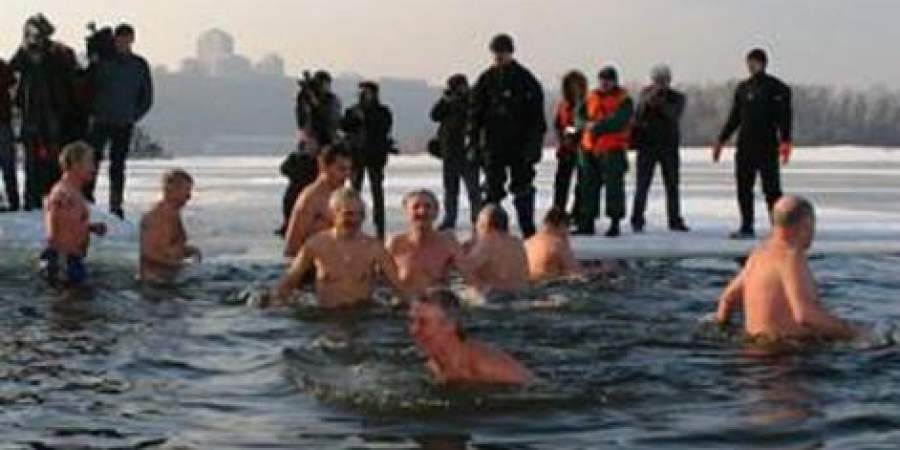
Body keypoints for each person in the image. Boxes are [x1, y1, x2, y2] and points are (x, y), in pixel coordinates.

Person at [715, 196, 857, 341]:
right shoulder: (790, 257)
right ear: (806, 226)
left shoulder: (758, 255)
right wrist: (853, 333)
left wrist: (723, 328)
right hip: (787, 351)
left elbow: (728, 299)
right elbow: (804, 315)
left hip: (753, 345)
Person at [272, 187, 408, 307]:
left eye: (360, 214)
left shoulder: (374, 248)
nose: (355, 220)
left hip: (362, 316)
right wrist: (273, 304)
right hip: (326, 315)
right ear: (333, 214)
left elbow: (398, 286)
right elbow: (290, 281)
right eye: (348, 214)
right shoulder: (315, 245)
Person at [470, 33, 546, 238]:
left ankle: (528, 231)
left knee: (523, 188)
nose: (499, 57)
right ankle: (489, 232)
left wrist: (534, 146)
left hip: (520, 145)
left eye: (502, 53)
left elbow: (537, 120)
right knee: (492, 190)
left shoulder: (526, 80)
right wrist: (473, 144)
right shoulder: (486, 80)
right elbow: (474, 116)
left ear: (510, 53)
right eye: (496, 53)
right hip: (493, 145)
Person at [713, 48, 793, 240]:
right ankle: (746, 226)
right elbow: (735, 117)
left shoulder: (778, 88)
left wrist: (785, 141)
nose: (750, 66)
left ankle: (778, 228)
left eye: (754, 62)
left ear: (763, 64)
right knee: (743, 188)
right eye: (749, 62)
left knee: (772, 190)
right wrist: (721, 140)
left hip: (767, 146)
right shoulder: (743, 88)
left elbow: (785, 117)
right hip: (745, 147)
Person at [10, 14, 82, 210]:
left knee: (53, 159)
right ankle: (31, 199)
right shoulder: (25, 53)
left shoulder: (57, 53)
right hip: (31, 113)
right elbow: (13, 68)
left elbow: (69, 78)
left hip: (52, 114)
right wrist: (25, 46)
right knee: (31, 160)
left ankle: (52, 197)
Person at [83, 23, 154, 219]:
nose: (123, 43)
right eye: (120, 39)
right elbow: (88, 85)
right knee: (91, 161)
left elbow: (146, 96)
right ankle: (87, 199)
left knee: (118, 165)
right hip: (101, 119)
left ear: (132, 40)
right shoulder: (103, 61)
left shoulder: (139, 65)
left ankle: (116, 205)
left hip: (123, 122)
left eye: (126, 39)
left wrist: (133, 115)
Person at [409, 289, 533, 386]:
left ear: (450, 325)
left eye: (423, 323)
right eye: (411, 321)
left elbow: (530, 387)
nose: (413, 330)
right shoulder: (431, 367)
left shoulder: (487, 367)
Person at [277, 70, 343, 236]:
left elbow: (328, 121)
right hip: (308, 149)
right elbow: (302, 121)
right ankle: (291, 221)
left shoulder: (331, 101)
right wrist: (305, 96)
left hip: (325, 148)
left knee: (324, 188)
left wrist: (314, 101)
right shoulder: (306, 99)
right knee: (295, 189)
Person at [574, 66, 634, 237]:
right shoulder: (590, 97)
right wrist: (585, 125)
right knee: (587, 187)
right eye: (602, 80)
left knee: (614, 188)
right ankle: (586, 223)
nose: (605, 83)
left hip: (612, 150)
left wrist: (597, 127)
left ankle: (615, 223)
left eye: (608, 80)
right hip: (589, 149)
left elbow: (619, 121)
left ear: (614, 82)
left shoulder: (624, 100)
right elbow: (578, 117)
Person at [630, 64, 689, 233]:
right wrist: (649, 101)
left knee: (672, 185)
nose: (661, 84)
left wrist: (661, 104)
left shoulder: (677, 97)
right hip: (647, 146)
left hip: (668, 147)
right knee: (642, 185)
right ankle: (637, 219)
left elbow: (674, 114)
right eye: (658, 80)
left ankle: (674, 219)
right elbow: (637, 115)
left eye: (664, 80)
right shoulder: (644, 94)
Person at [41, 141, 107, 287]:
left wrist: (89, 227)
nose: (94, 168)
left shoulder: (74, 192)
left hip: (71, 259)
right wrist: (59, 262)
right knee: (70, 299)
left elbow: (68, 223)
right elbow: (54, 232)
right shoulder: (63, 194)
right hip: (63, 260)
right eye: (90, 162)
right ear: (76, 165)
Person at [387, 189, 466, 298]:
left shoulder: (448, 242)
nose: (422, 211)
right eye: (416, 207)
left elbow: (469, 277)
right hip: (405, 303)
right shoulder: (396, 243)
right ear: (406, 212)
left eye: (428, 207)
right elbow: (375, 280)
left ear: (436, 212)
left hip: (439, 303)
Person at [342, 81, 394, 239]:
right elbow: (344, 127)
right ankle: (352, 224)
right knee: (354, 193)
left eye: (367, 92)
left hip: (375, 157)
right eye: (361, 92)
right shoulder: (352, 111)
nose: (363, 95)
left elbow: (384, 128)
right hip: (356, 156)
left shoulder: (383, 111)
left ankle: (380, 227)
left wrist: (366, 117)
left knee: (377, 193)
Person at [284, 143, 353, 257]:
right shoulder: (311, 198)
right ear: (324, 166)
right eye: (341, 169)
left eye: (349, 169)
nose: (347, 174)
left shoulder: (342, 196)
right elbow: (291, 246)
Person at [431, 74, 480, 230]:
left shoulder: (473, 101)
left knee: (473, 190)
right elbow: (434, 115)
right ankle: (449, 218)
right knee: (450, 189)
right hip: (449, 152)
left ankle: (477, 218)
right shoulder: (447, 103)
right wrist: (444, 100)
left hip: (467, 152)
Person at [139, 169, 200, 283]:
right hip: (157, 282)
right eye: (186, 191)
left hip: (169, 278)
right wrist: (181, 265)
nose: (189, 196)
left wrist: (188, 251)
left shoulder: (172, 214)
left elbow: (168, 247)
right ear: (172, 190)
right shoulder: (160, 217)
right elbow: (150, 254)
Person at [461, 203, 529, 296]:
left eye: (478, 223)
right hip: (522, 293)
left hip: (497, 296)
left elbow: (464, 268)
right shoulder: (517, 242)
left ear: (486, 225)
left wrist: (459, 252)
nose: (475, 227)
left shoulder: (488, 241)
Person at [553, 70, 588, 217]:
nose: (574, 88)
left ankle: (577, 212)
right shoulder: (563, 105)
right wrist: (563, 138)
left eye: (577, 85)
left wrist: (574, 132)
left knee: (582, 184)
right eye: (571, 85)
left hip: (583, 149)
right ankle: (558, 211)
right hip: (566, 149)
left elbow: (586, 124)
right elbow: (558, 124)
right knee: (561, 183)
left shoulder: (587, 104)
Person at [524, 207, 580, 282]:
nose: (568, 234)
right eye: (568, 228)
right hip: (547, 285)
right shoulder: (558, 245)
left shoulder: (528, 243)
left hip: (528, 283)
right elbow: (577, 274)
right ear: (562, 225)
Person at [0, 57, 18, 212]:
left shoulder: (2, 67)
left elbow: (11, 81)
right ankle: (12, 200)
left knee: (8, 164)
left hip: (3, 122)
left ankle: (13, 200)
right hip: (4, 122)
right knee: (8, 164)